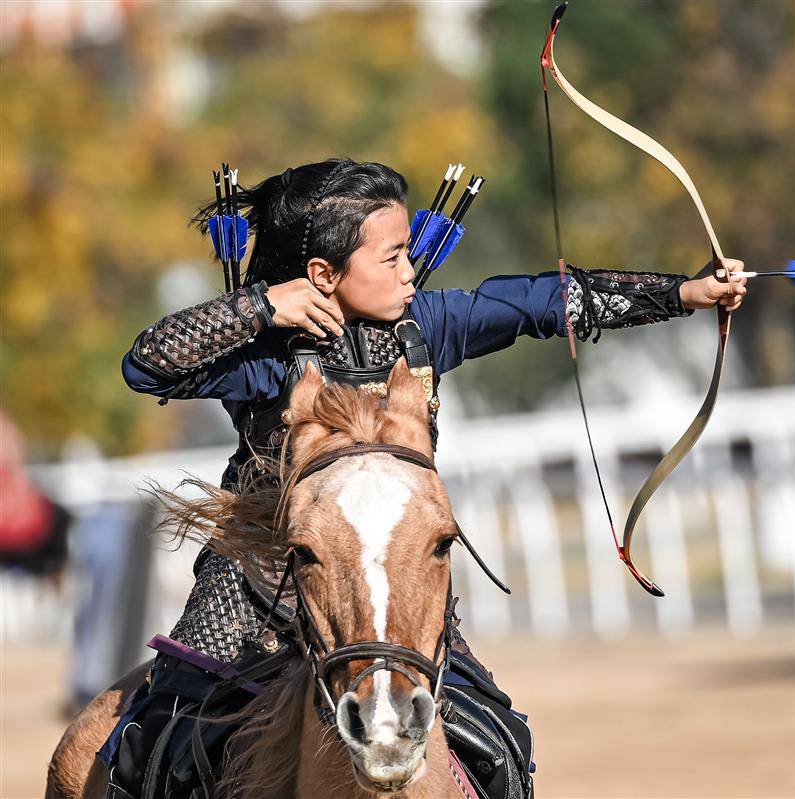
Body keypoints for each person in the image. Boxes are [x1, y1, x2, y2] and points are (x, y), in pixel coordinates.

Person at [102, 157, 747, 798]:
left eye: (409, 252)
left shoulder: (425, 327)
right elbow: (146, 365)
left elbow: (538, 302)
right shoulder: (264, 355)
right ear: (322, 274)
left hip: (399, 591)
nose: (410, 270)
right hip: (259, 591)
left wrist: (683, 294)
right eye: (392, 258)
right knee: (150, 751)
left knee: (501, 749)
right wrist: (260, 307)